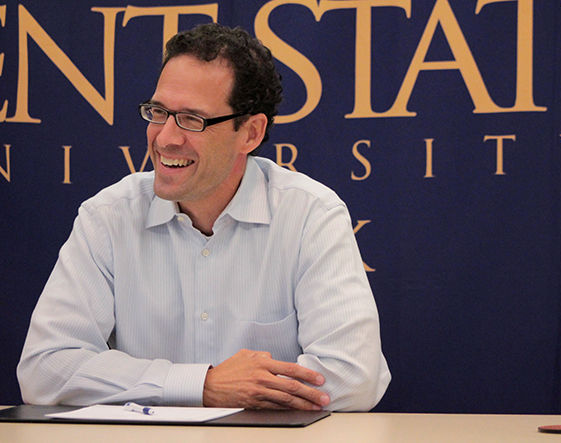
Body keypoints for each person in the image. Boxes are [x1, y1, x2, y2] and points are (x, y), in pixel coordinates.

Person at [17, 23, 390, 412]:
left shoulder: (311, 215)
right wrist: (204, 385)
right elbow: (45, 370)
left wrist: (214, 388)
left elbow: (352, 377)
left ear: (250, 133)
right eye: (159, 112)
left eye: (192, 119)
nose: (164, 138)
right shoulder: (107, 217)